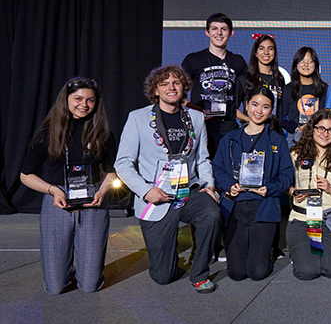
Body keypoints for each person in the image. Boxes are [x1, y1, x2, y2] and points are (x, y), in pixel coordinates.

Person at [115, 65, 221, 293]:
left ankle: (200, 273)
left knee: (211, 213)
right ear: (155, 90)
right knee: (163, 276)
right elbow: (122, 163)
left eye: (176, 83)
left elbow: (203, 159)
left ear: (184, 87)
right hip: (156, 197)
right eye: (164, 84)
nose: (171, 88)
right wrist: (144, 191)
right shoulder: (138, 118)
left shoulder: (197, 117)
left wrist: (209, 185)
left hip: (188, 191)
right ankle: (166, 259)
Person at [20, 78, 117, 295]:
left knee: (90, 286)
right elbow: (26, 176)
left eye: (90, 100)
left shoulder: (103, 133)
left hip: (93, 201)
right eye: (78, 99)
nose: (84, 104)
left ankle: (84, 269)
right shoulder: (48, 132)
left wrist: (103, 190)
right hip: (58, 200)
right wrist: (52, 190)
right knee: (55, 288)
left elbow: (111, 173)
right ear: (66, 100)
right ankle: (63, 268)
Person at [211, 86, 293, 281]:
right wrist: (229, 184)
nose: (259, 111)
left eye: (265, 107)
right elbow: (217, 168)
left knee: (257, 273)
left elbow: (287, 174)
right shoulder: (229, 139)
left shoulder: (277, 141)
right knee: (236, 273)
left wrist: (270, 188)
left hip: (263, 207)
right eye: (255, 105)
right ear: (246, 106)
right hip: (235, 206)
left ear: (271, 110)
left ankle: (264, 254)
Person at [286, 111, 331, 280]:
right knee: (307, 272)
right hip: (301, 217)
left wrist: (330, 189)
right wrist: (293, 192)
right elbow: (284, 183)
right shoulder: (295, 153)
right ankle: (301, 255)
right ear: (312, 129)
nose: (325, 133)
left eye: (330, 130)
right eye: (321, 128)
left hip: (330, 218)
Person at [180, 13, 248, 158]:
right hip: (202, 127)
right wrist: (197, 110)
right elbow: (178, 93)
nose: (219, 33)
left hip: (229, 127)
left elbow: (247, 94)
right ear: (207, 32)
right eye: (214, 29)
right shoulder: (193, 59)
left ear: (231, 33)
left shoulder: (238, 61)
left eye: (223, 29)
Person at [280, 47, 328, 147]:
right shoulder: (288, 89)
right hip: (294, 138)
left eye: (310, 61)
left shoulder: (324, 89)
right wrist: (296, 129)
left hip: (319, 137)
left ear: (316, 64)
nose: (306, 65)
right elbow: (281, 117)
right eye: (302, 61)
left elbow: (328, 115)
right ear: (296, 64)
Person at [240, 34, 286, 121]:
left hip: (273, 130)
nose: (266, 52)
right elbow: (232, 108)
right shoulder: (246, 78)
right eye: (261, 48)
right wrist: (251, 121)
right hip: (252, 130)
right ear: (256, 53)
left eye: (270, 48)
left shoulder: (279, 79)